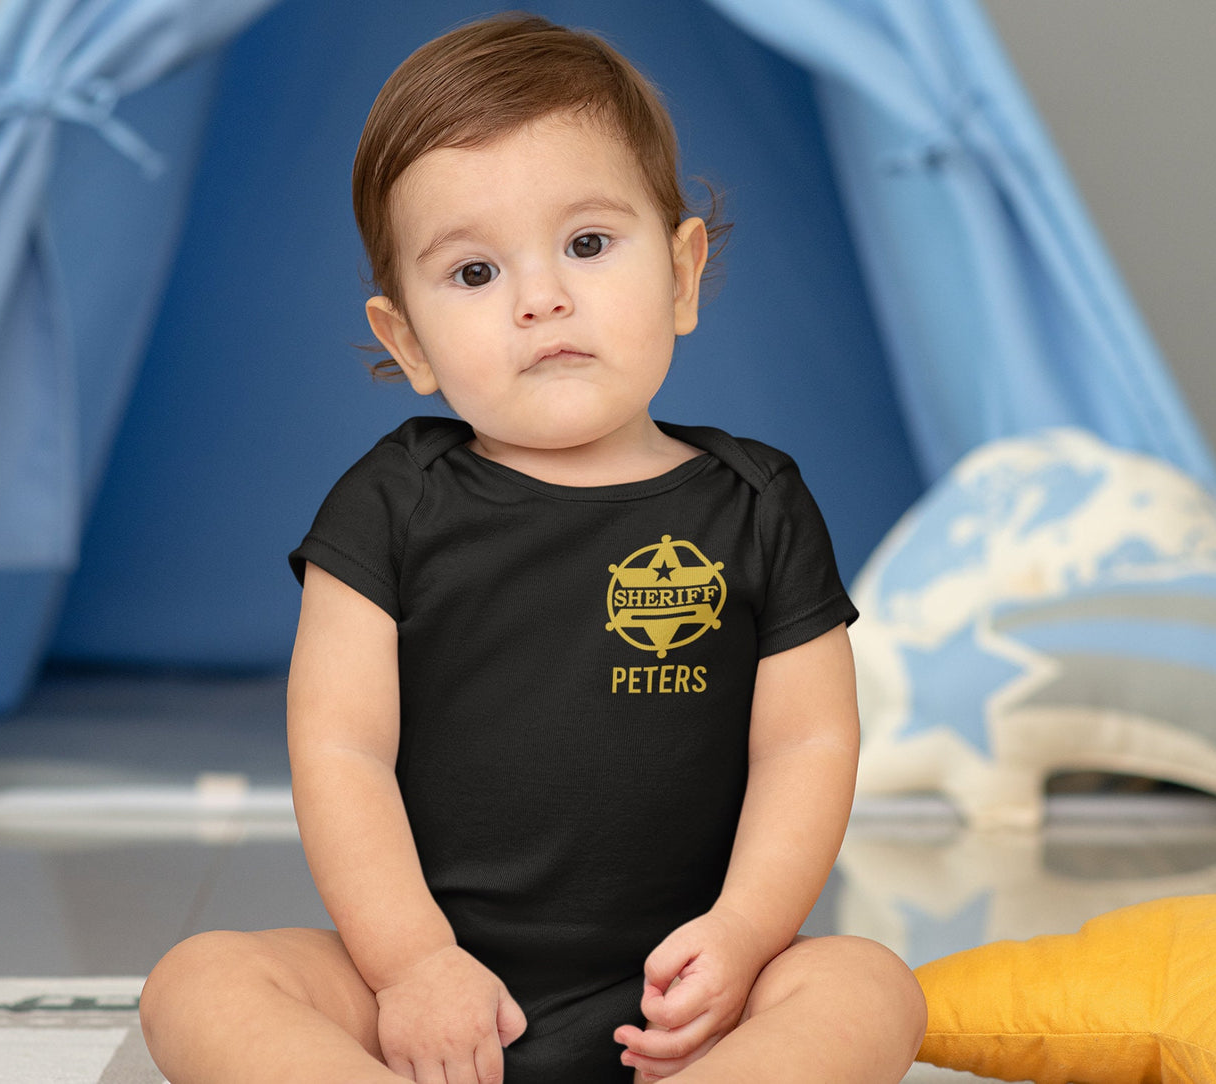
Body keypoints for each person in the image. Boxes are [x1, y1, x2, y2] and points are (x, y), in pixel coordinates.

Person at [139, 12, 926, 1083]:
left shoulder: (757, 503)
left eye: (588, 244)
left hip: (683, 998)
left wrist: (741, 937)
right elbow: (341, 753)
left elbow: (805, 747)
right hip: (428, 990)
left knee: (866, 986)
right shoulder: (387, 506)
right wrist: (414, 964)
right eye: (472, 274)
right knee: (199, 981)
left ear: (683, 273)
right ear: (405, 339)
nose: (540, 297)